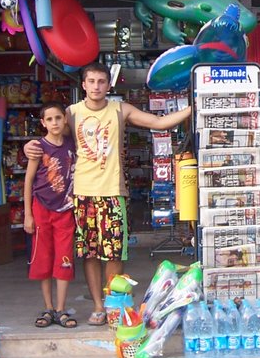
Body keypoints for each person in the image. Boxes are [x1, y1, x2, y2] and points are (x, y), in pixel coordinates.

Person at [26, 63, 192, 326]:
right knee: (90, 255)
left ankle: (115, 303)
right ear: (83, 85)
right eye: (91, 81)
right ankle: (98, 307)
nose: (96, 86)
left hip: (113, 194)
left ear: (108, 85)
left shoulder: (120, 110)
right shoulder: (71, 113)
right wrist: (30, 147)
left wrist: (194, 107)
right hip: (81, 195)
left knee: (114, 254)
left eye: (101, 81)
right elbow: (52, 138)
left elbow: (159, 122)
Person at [23, 102, 78, 328]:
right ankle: (47, 307)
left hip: (66, 209)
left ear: (65, 120)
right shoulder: (38, 148)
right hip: (41, 208)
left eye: (58, 118)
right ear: (43, 123)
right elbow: (28, 181)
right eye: (49, 119)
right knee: (43, 258)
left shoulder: (72, 145)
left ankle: (60, 309)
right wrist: (28, 214)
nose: (54, 123)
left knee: (64, 259)